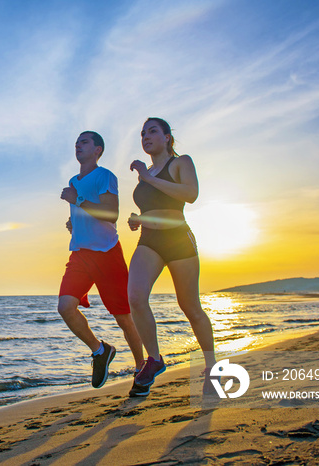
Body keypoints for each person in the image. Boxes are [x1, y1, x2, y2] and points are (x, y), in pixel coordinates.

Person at [127, 117, 216, 397]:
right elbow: (154, 204)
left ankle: (211, 367)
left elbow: (190, 195)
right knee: (135, 297)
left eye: (152, 131)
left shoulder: (180, 163)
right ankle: (154, 359)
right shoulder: (149, 171)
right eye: (142, 133)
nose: (146, 136)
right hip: (149, 240)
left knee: (189, 306)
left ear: (167, 137)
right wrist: (139, 219)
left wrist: (148, 177)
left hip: (179, 239)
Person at [59, 131, 145, 394]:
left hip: (107, 253)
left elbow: (110, 214)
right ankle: (100, 350)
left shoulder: (105, 176)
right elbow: (83, 214)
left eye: (84, 142)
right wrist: (74, 223)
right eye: (76, 142)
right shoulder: (74, 180)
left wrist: (78, 200)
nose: (78, 145)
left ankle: (141, 369)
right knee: (65, 307)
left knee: (123, 317)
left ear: (98, 150)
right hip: (80, 254)